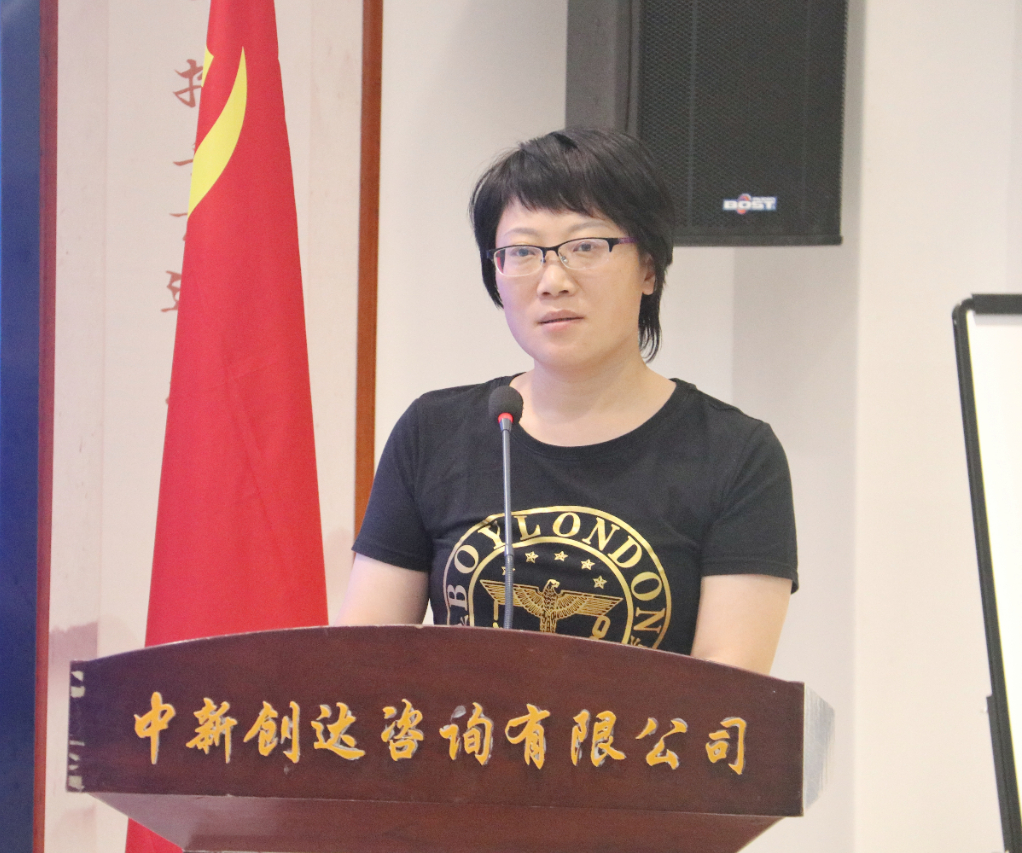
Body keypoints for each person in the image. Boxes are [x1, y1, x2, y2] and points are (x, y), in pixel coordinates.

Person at [337, 128, 796, 675]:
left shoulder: (734, 453)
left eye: (585, 247)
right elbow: (361, 664)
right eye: (522, 253)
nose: (553, 280)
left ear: (649, 268)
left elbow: (730, 692)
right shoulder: (433, 432)